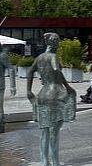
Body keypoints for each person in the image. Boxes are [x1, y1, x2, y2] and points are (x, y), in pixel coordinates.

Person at [27, 32, 76, 166]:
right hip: (54, 95)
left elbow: (29, 72)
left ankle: (44, 162)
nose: (59, 44)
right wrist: (68, 86)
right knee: (54, 131)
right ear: (54, 43)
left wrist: (28, 91)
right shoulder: (53, 56)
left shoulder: (39, 58)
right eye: (58, 42)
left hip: (42, 95)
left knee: (44, 131)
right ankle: (55, 162)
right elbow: (57, 71)